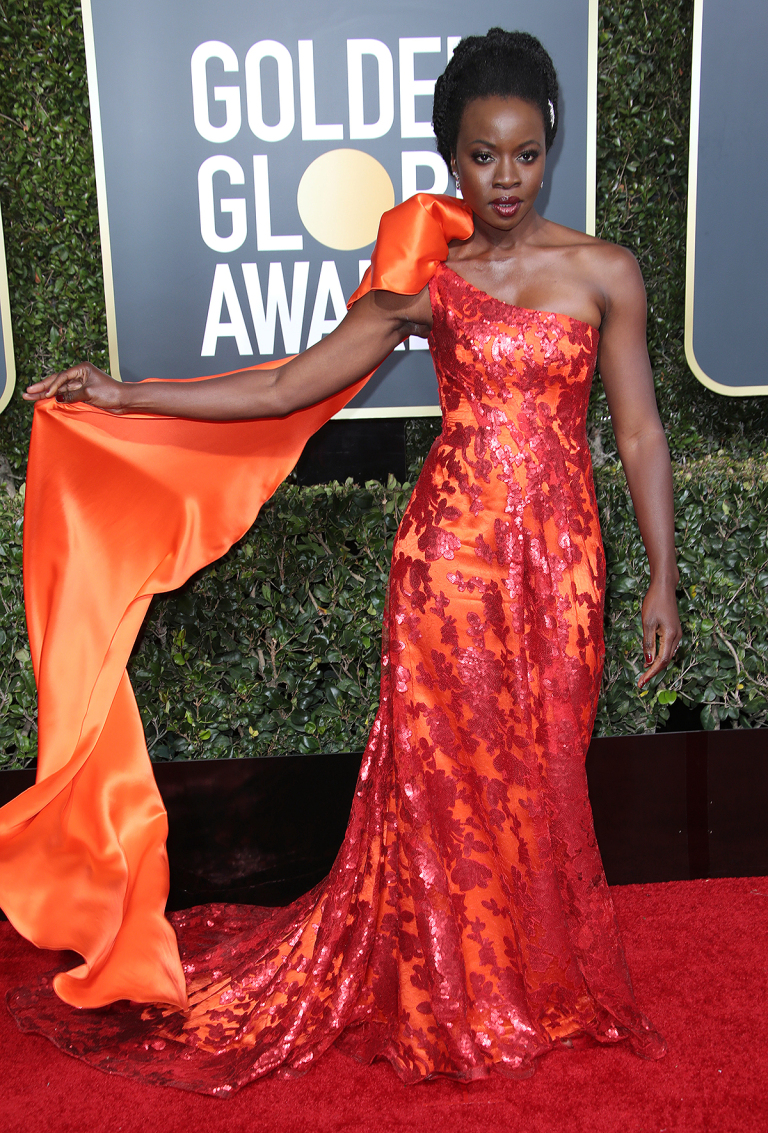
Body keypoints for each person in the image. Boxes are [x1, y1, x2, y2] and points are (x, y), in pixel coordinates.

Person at [12, 29, 680, 1094]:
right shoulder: (426, 280)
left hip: (561, 569)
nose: (503, 178)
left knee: (541, 770)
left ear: (550, 145)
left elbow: (639, 431)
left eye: (523, 154)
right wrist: (128, 393)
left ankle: (523, 975)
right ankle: (452, 990)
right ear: (448, 158)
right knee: (449, 785)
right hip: (449, 565)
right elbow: (287, 388)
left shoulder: (605, 270)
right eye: (480, 156)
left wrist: (662, 571)